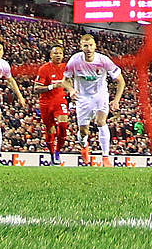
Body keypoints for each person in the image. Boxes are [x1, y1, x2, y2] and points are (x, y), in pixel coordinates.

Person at [65, 34, 124, 165]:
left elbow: (121, 81)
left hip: (100, 95)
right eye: (85, 46)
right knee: (83, 130)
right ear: (81, 47)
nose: (88, 48)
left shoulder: (103, 60)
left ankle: (105, 157)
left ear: (95, 46)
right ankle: (84, 145)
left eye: (91, 45)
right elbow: (65, 80)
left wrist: (116, 100)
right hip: (83, 98)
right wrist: (71, 90)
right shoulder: (75, 60)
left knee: (101, 122)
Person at [32, 44, 73, 164]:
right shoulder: (44, 69)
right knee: (50, 130)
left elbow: (69, 81)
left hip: (60, 100)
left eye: (60, 53)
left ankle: (58, 152)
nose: (58, 55)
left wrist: (72, 91)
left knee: (63, 125)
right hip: (46, 102)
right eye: (55, 53)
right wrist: (52, 86)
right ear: (51, 55)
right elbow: (36, 88)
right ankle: (51, 154)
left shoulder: (66, 68)